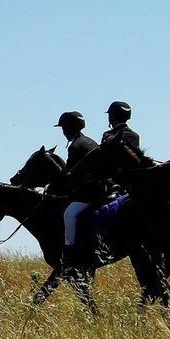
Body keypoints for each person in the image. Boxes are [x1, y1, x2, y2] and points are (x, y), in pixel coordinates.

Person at [54, 111, 102, 265]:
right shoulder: (91, 141)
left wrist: (54, 185)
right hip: (102, 187)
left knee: (69, 214)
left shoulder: (75, 146)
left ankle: (70, 249)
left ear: (68, 129)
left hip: (90, 192)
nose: (63, 132)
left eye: (63, 129)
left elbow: (69, 173)